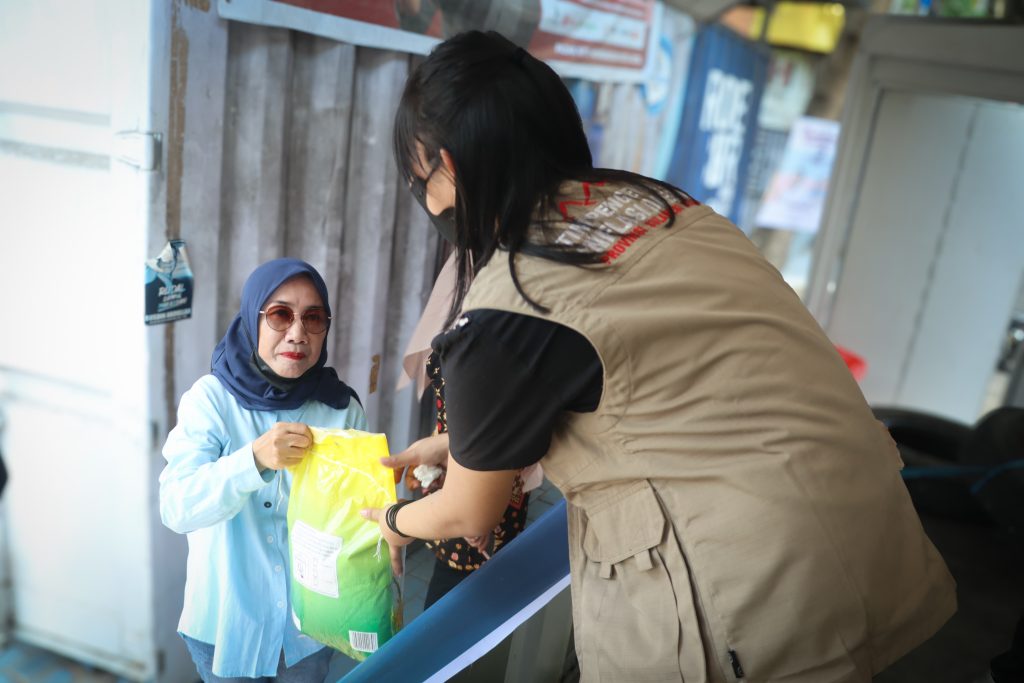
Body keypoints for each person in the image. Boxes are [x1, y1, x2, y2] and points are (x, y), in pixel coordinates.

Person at [362, 30, 957, 682]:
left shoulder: (511, 296)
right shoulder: (661, 206)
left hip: (762, 603)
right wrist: (465, 446)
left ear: (451, 165)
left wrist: (394, 521)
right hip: (871, 537)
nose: (429, 201)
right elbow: (653, 381)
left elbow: (467, 511)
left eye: (422, 180)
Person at [160, 258, 366, 682]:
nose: (297, 333)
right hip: (226, 627)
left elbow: (356, 518)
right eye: (279, 314)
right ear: (253, 319)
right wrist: (251, 461)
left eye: (313, 318)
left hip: (308, 631)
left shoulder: (340, 410)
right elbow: (176, 506)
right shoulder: (211, 401)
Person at [386, 254, 542, 607]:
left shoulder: (515, 297)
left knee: (466, 580)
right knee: (461, 562)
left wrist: (392, 521)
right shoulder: (467, 265)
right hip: (458, 456)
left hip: (490, 470)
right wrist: (445, 444)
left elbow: (519, 413)